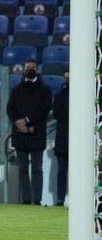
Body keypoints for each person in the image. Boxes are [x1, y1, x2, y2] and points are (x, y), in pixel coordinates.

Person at [6, 59, 53, 205]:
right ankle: (26, 199)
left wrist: (25, 120)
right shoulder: (17, 89)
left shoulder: (45, 90)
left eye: (32, 67)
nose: (30, 69)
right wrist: (18, 122)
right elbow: (10, 108)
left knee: (37, 168)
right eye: (27, 67)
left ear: (37, 70)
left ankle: (37, 199)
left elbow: (44, 110)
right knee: (23, 169)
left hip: (37, 134)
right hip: (20, 135)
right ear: (23, 69)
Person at [52, 69, 69, 206]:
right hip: (63, 138)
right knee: (62, 171)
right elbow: (57, 114)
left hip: (71, 139)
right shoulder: (59, 96)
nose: (67, 81)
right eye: (65, 78)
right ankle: (60, 198)